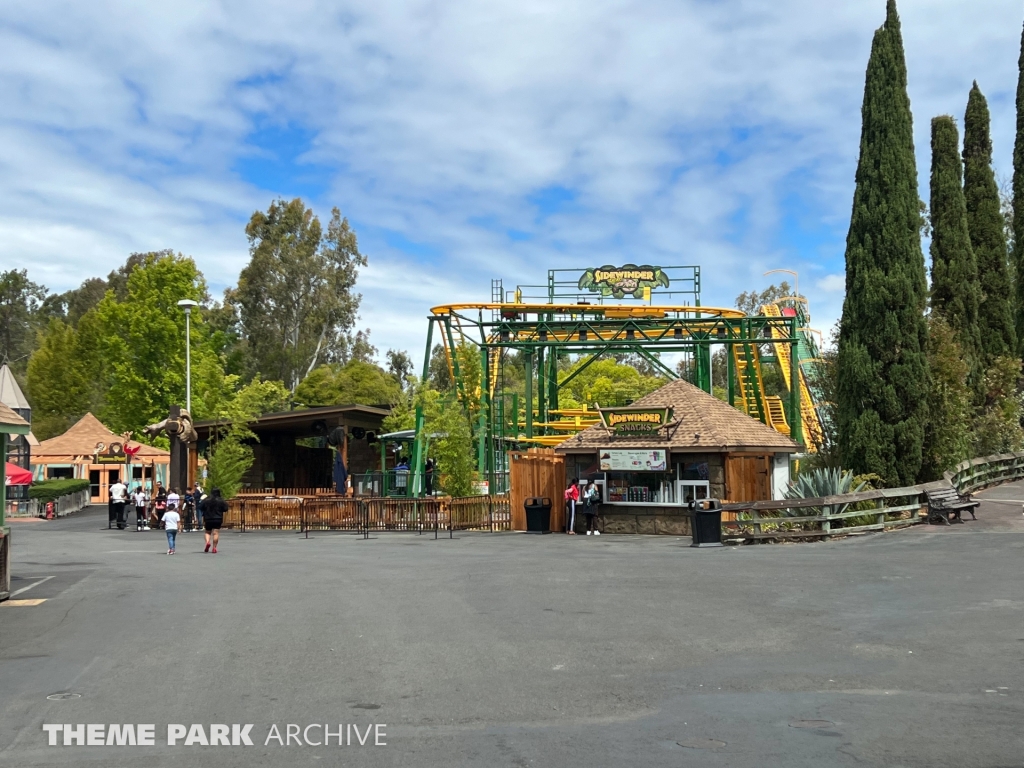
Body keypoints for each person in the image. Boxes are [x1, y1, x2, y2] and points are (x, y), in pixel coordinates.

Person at [202, 487, 228, 554]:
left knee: (207, 532)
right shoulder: (221, 500)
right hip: (218, 518)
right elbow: (225, 509)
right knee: (216, 533)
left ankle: (208, 542)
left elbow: (201, 507)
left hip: (208, 518)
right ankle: (214, 548)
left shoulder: (206, 500)